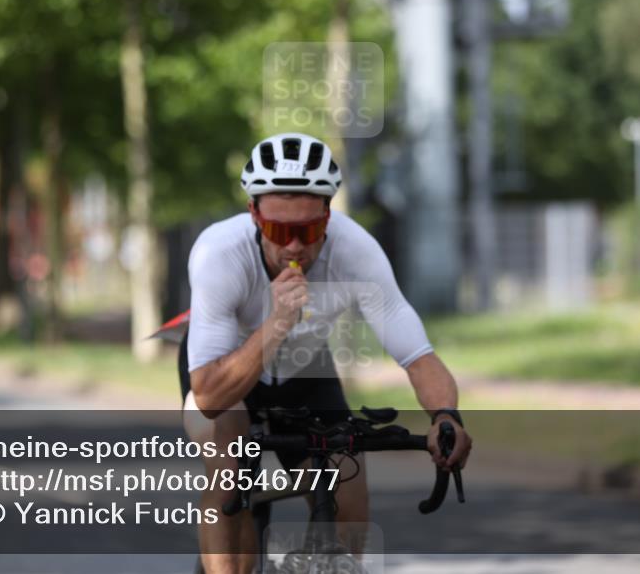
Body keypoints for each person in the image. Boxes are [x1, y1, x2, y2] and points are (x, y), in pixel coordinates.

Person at [178, 132, 472, 574]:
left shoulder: (356, 251)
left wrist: (446, 417)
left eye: (309, 229)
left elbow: (417, 354)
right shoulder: (219, 254)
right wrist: (275, 324)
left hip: (305, 369)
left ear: (328, 217)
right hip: (228, 371)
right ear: (254, 215)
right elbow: (209, 396)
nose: (295, 246)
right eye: (280, 230)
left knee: (349, 489)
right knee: (229, 471)